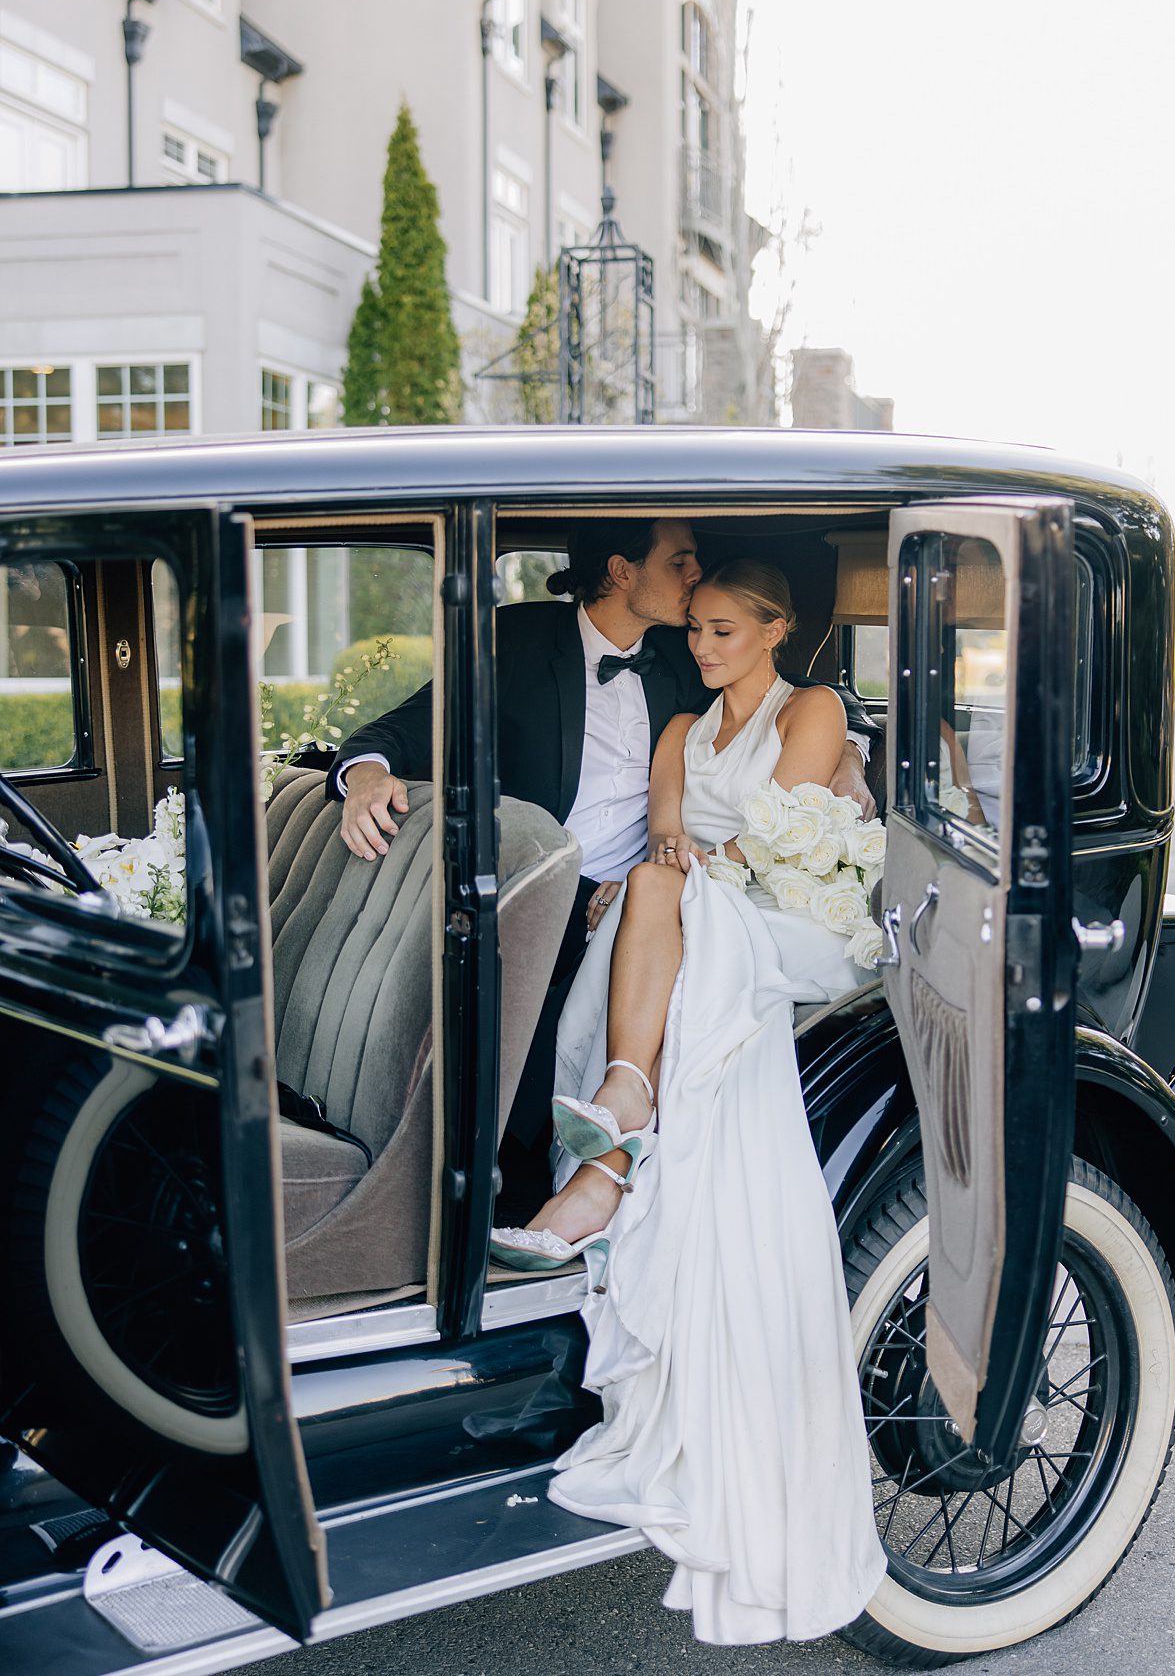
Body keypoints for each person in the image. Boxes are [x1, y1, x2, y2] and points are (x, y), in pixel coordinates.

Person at [491, 558, 887, 1646]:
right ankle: (617, 1149)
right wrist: (664, 869)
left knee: (669, 901)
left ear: (775, 629)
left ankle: (617, 1131)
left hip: (799, 922)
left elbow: (770, 837)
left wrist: (679, 870)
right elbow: (671, 837)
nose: (703, 650)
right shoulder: (676, 731)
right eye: (698, 632)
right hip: (712, 912)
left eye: (722, 632)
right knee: (659, 896)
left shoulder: (813, 708)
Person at [327, 520, 879, 1207]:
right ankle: (479, 1188)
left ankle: (570, 1178)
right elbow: (408, 724)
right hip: (543, 887)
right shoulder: (518, 640)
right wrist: (367, 774)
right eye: (680, 560)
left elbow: (801, 687)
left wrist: (850, 752)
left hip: (650, 888)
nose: (694, 577)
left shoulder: (688, 647)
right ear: (622, 570)